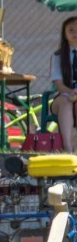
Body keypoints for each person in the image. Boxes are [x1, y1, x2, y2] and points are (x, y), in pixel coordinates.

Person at [48, 15, 77, 152]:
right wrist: (71, 92)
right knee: (66, 102)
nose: (75, 33)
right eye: (71, 30)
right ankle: (68, 147)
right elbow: (58, 84)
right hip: (64, 96)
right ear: (64, 34)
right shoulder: (58, 56)